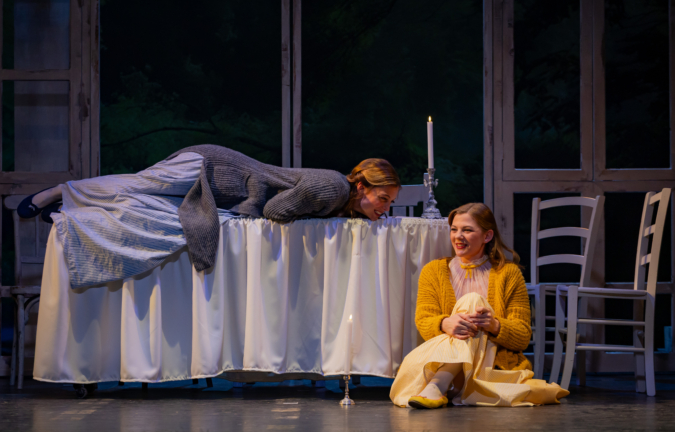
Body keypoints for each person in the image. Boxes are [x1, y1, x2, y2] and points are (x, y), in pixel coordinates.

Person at [18, 144, 401, 288]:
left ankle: (71, 209)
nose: (385, 208)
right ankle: (59, 191)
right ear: (361, 186)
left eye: (390, 204)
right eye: (383, 199)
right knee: (138, 185)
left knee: (140, 201)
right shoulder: (333, 187)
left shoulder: (340, 199)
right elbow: (275, 210)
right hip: (212, 166)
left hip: (219, 182)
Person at [390, 202, 569, 408]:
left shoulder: (508, 274)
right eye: (454, 229)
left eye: (467, 230)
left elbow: (522, 336)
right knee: (472, 302)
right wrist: (445, 323)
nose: (458, 236)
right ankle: (448, 384)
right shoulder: (433, 271)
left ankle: (439, 385)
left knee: (472, 301)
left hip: (489, 366)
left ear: (487, 236)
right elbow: (424, 321)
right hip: (443, 361)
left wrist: (494, 325)